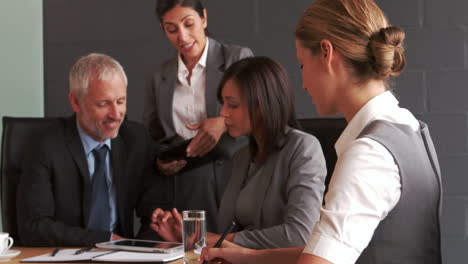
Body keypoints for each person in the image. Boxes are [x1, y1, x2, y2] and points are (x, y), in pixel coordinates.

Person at [201, 0, 443, 263]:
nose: (303, 83)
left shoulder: (369, 154)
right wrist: (248, 256)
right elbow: (331, 251)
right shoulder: (408, 126)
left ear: (326, 53)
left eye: (302, 64)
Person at [151, 57, 327, 249]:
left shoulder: (303, 148)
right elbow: (228, 233)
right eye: (223, 104)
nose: (224, 113)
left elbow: (300, 235)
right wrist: (188, 237)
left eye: (232, 105)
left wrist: (208, 240)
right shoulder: (241, 157)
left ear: (261, 106)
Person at [17, 53, 161, 246]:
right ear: (75, 102)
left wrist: (141, 249)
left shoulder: (137, 140)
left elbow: (156, 213)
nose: (116, 114)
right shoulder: (46, 145)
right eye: (103, 104)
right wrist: (105, 240)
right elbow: (34, 227)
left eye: (121, 101)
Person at [143, 0, 253, 232]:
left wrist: (223, 122)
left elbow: (258, 109)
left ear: (204, 18)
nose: (182, 37)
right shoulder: (159, 76)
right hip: (183, 183)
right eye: (172, 29)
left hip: (231, 176)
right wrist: (162, 161)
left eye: (189, 24)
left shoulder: (236, 57)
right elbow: (153, 134)